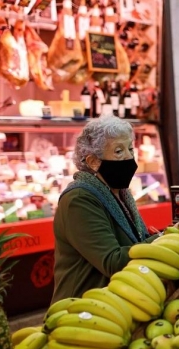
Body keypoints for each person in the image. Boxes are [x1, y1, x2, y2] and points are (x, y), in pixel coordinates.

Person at [52, 115, 159, 302]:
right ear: (93, 161)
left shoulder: (120, 193)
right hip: (83, 309)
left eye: (130, 149)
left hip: (117, 299)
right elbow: (112, 262)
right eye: (119, 151)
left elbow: (136, 241)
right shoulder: (79, 199)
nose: (129, 157)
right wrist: (165, 239)